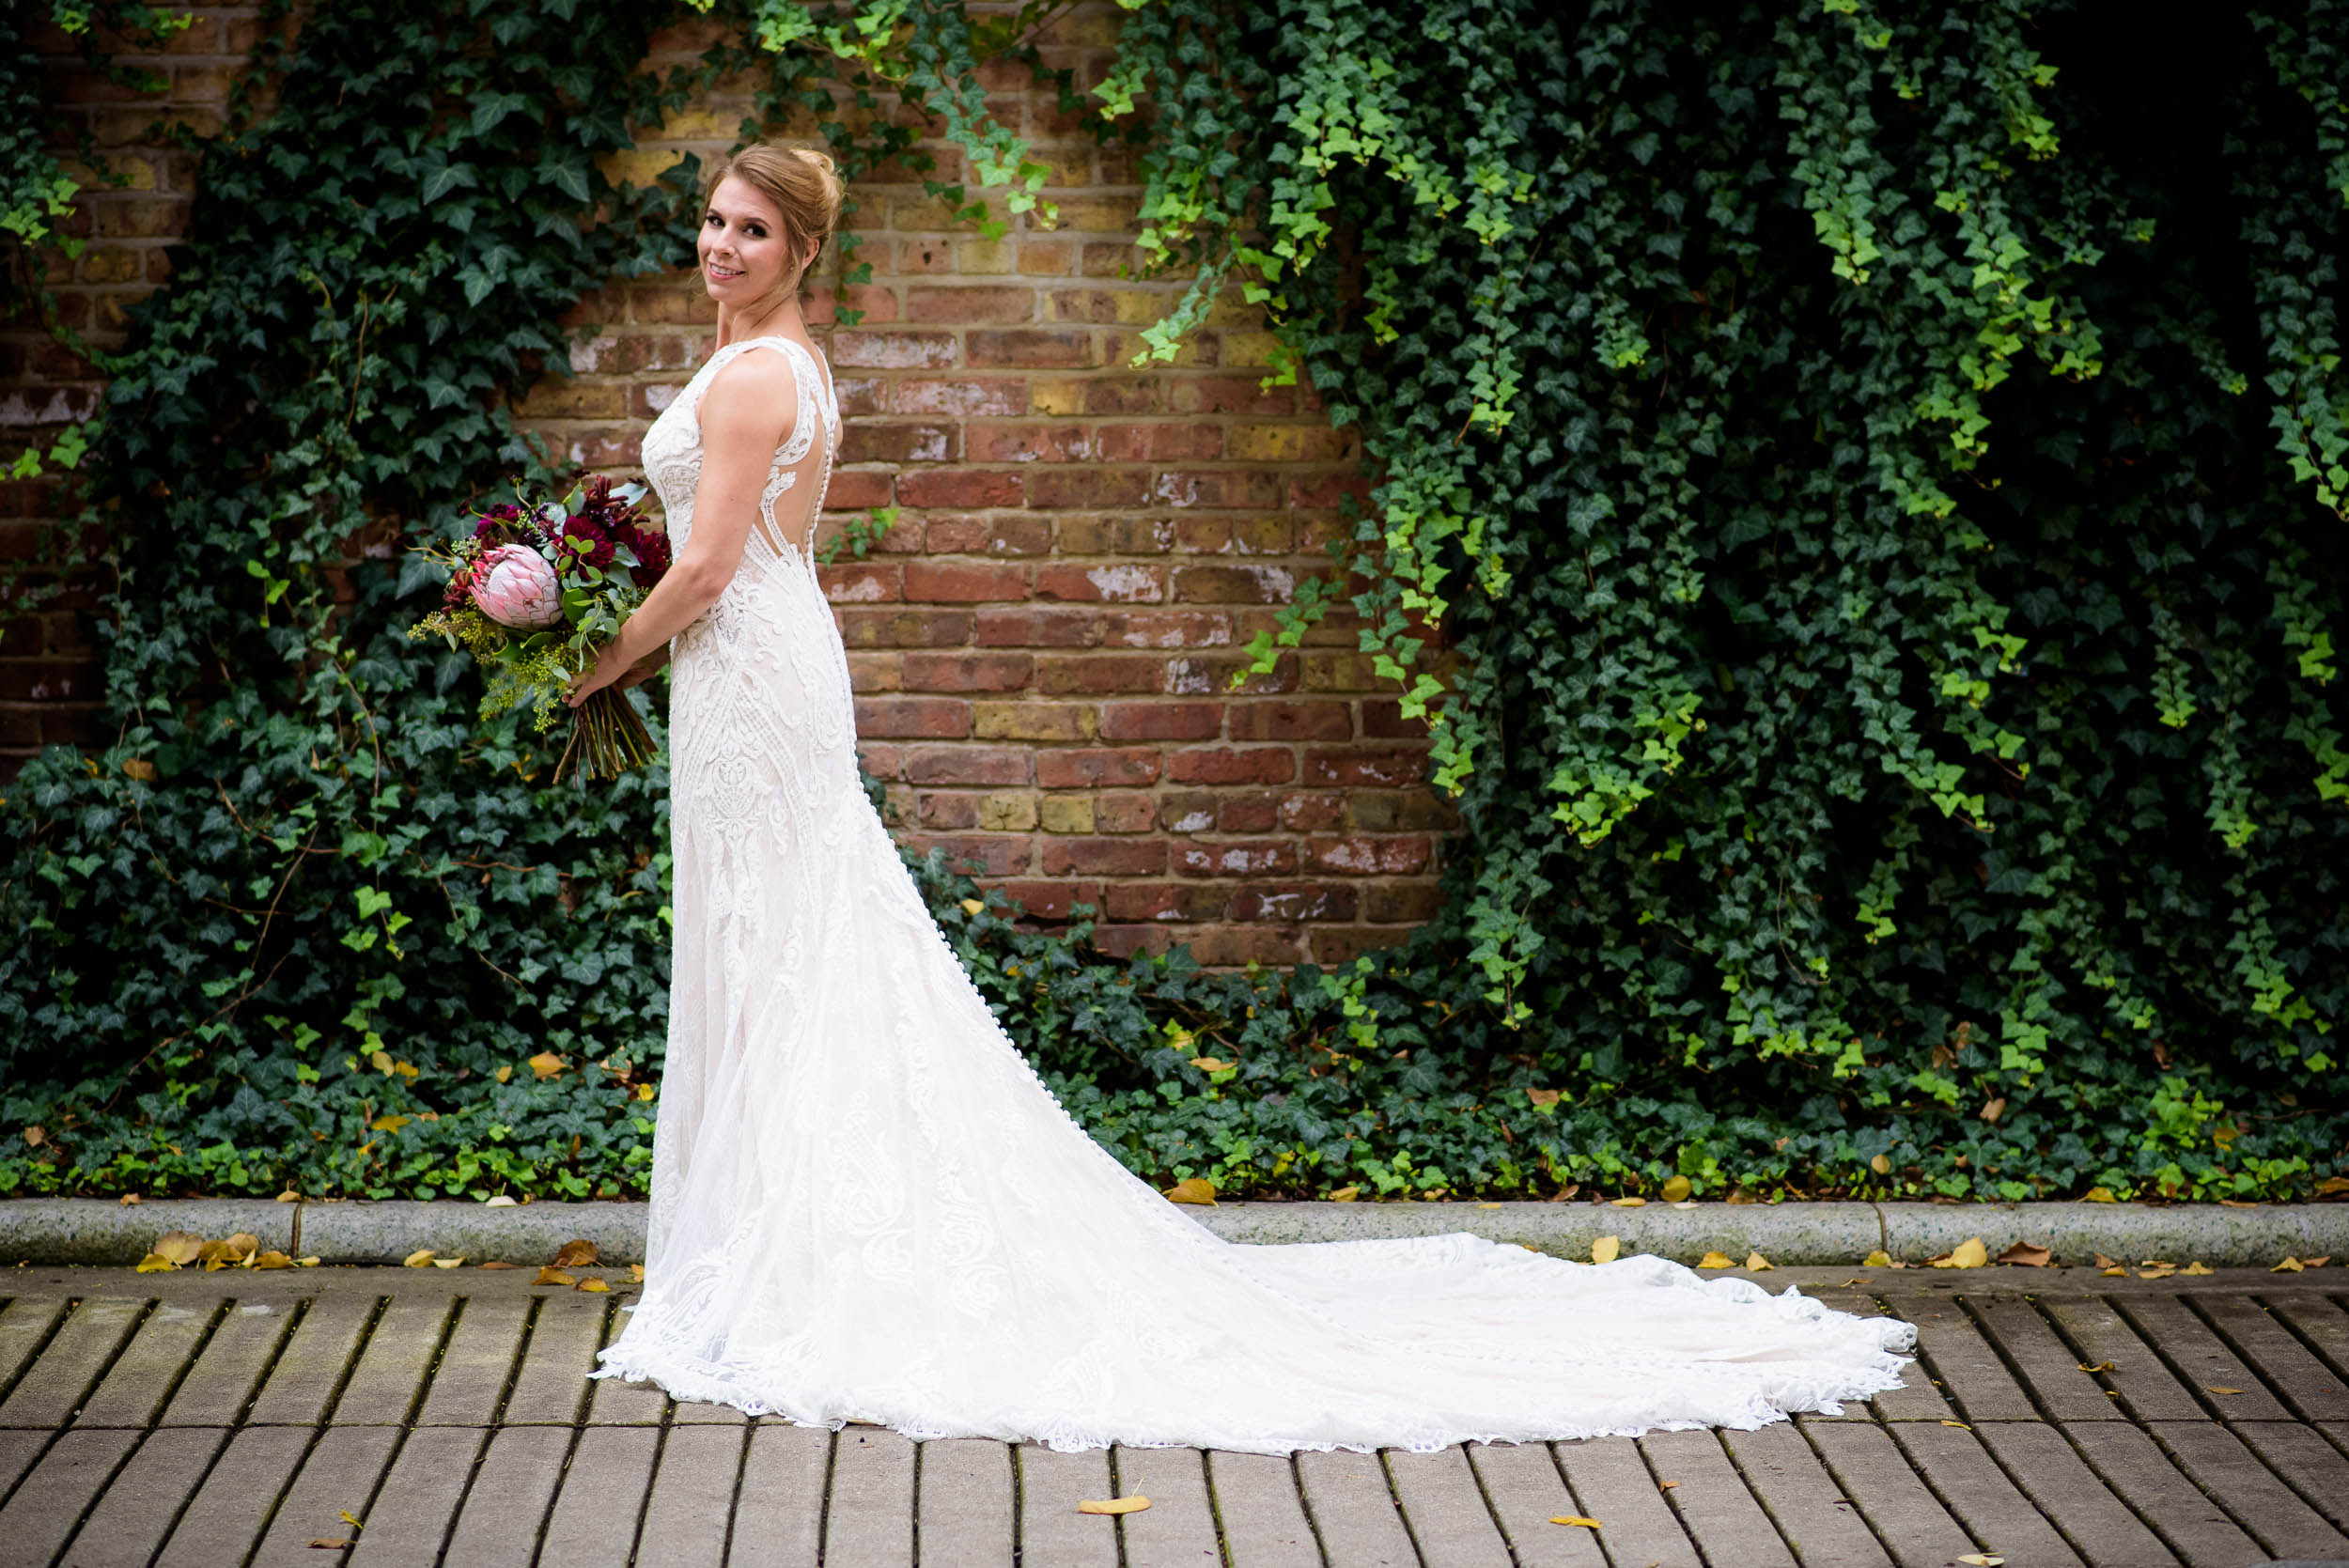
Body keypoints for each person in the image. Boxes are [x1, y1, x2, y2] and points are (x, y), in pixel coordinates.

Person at [565, 140, 1917, 1455]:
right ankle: (783, 1229)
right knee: (778, 949)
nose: (720, 246)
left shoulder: (755, 375)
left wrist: (591, 662)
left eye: (751, 229)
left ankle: (802, 1252)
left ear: (803, 247)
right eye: (714, 222)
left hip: (750, 675)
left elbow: (707, 571)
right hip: (755, 681)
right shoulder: (779, 362)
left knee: (791, 945)